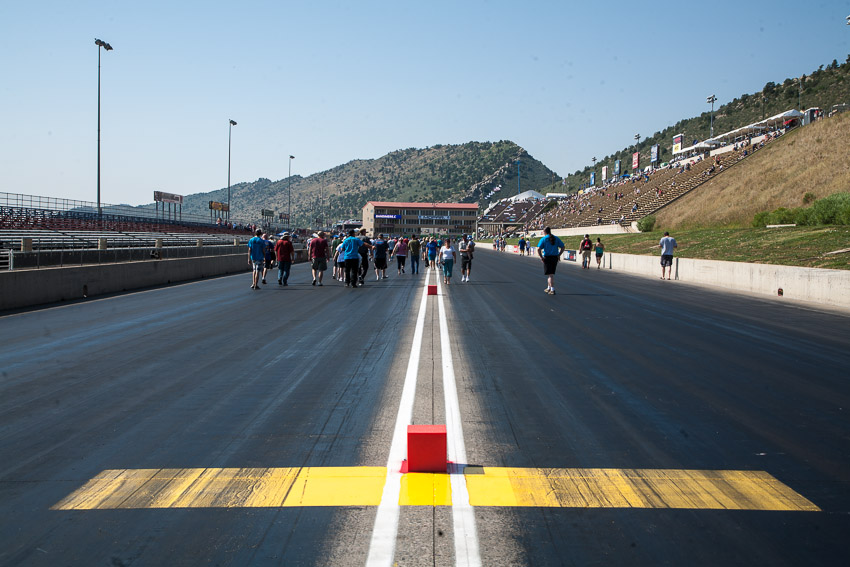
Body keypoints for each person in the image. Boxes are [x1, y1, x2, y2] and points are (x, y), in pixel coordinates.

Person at [537, 227, 565, 295]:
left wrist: (541, 257)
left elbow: (538, 249)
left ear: (545, 232)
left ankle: (552, 289)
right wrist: (559, 255)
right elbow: (563, 247)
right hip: (554, 257)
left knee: (550, 275)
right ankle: (548, 287)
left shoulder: (544, 239)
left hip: (547, 257)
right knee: (550, 274)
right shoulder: (556, 238)